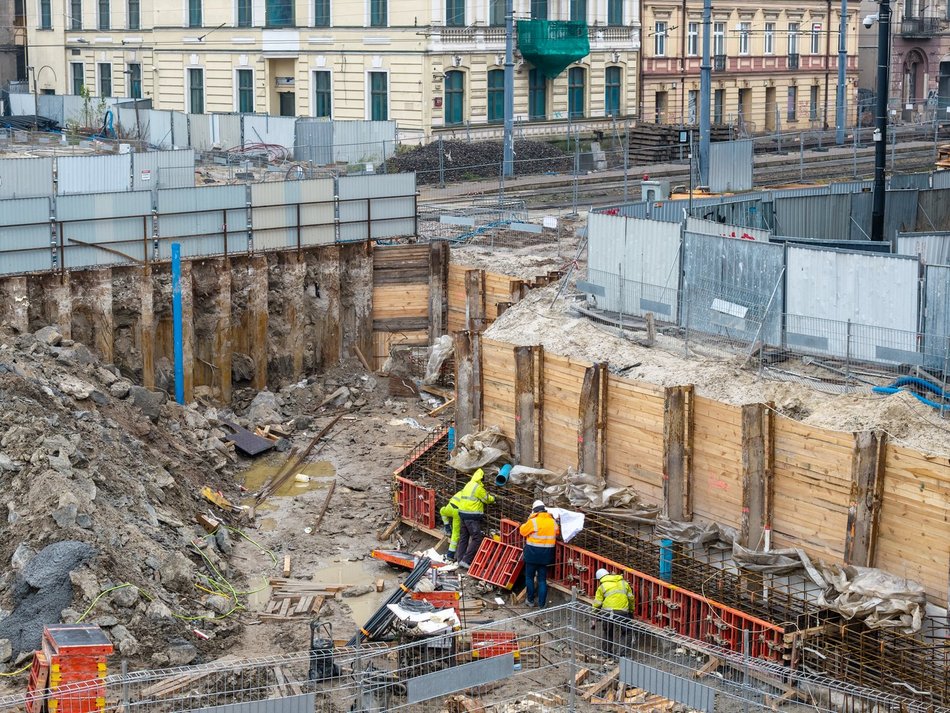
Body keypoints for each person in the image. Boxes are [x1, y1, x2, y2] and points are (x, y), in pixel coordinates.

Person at [518, 500, 559, 608]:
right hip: (546, 555)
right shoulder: (552, 522)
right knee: (542, 580)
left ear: (534, 511)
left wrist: (529, 519)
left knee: (529, 577)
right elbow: (557, 532)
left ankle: (530, 600)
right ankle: (542, 604)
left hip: (532, 554)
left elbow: (522, 531)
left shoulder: (533, 521)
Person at [454, 468, 495, 568]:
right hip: (471, 515)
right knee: (477, 538)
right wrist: (493, 498)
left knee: (464, 537)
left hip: (462, 513)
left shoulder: (468, 484)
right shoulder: (477, 487)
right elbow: (487, 499)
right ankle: (466, 560)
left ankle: (460, 559)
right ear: (481, 478)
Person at [592, 568, 635, 657]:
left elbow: (597, 603)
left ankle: (606, 653)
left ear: (600, 578)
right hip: (622, 612)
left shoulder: (602, 586)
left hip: (607, 612)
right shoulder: (624, 583)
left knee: (607, 632)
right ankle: (621, 655)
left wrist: (594, 614)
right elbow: (631, 599)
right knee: (627, 632)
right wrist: (631, 611)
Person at [439, 490, 463, 561]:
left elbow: (452, 499)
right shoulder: (469, 495)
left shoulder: (460, 492)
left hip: (450, 507)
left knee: (442, 511)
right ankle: (450, 554)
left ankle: (448, 529)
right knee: (455, 534)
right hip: (457, 512)